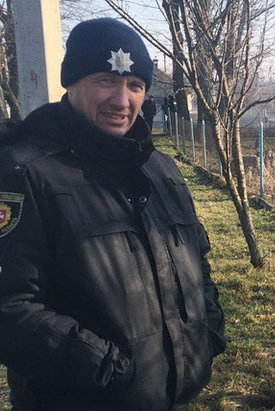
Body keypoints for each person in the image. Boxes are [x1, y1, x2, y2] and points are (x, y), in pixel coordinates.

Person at [0, 18, 226, 410]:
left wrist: (208, 334)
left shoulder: (161, 170)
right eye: (106, 80)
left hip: (173, 396)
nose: (122, 101)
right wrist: (108, 367)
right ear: (71, 83)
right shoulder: (24, 174)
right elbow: (10, 306)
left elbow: (196, 263)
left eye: (135, 85)